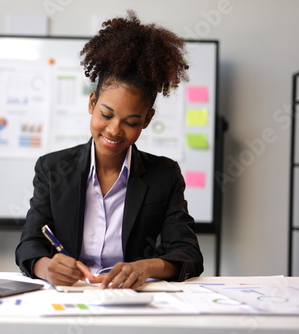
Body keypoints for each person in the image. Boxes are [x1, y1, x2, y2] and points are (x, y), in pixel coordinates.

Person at [15, 11, 203, 289]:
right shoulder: (52, 168)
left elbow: (189, 254)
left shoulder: (164, 174)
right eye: (106, 114)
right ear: (92, 103)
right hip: (71, 295)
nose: (114, 130)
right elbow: (29, 243)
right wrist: (47, 268)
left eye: (131, 122)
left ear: (147, 120)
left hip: (132, 298)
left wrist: (146, 267)